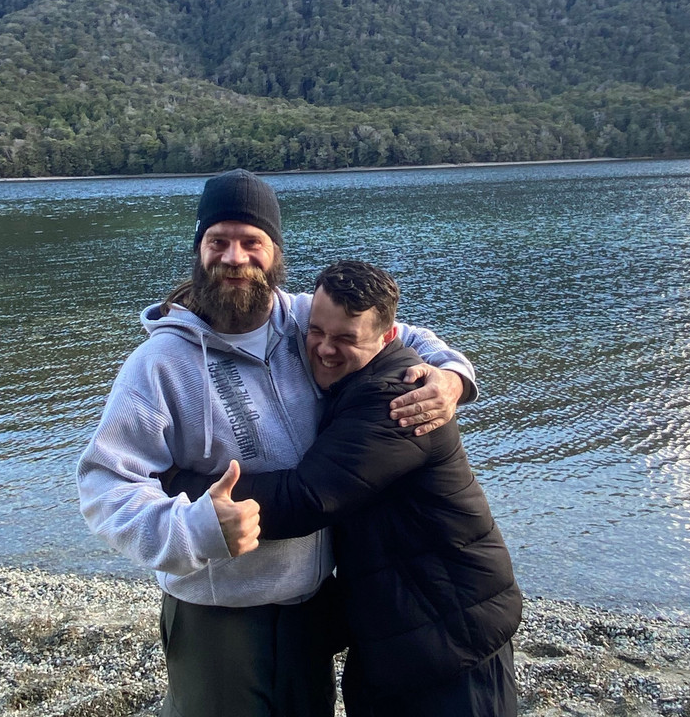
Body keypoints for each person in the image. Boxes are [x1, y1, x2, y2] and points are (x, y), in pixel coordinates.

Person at [76, 170, 479, 717]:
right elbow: (106, 486)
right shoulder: (159, 365)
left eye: (251, 242)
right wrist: (191, 528)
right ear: (198, 250)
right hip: (219, 612)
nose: (234, 257)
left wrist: (452, 376)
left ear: (275, 253)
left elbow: (402, 335)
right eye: (218, 241)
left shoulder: (304, 320)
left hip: (310, 609)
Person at [166, 260, 522, 717]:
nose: (325, 349)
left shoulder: (397, 401)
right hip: (404, 622)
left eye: (346, 339)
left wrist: (177, 483)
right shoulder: (353, 377)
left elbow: (305, 499)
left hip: (453, 628)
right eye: (316, 332)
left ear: (386, 338)